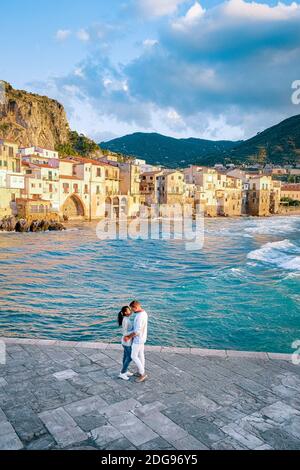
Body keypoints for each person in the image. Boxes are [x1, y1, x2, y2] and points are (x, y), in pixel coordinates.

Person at [124, 300, 148, 383]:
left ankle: (142, 374)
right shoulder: (144, 313)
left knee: (133, 356)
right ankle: (141, 371)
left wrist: (128, 337)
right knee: (141, 355)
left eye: (132, 309)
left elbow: (137, 331)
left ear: (136, 307)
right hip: (143, 338)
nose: (131, 310)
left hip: (138, 339)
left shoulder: (139, 316)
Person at [118, 306, 134, 381]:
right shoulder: (125, 320)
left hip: (127, 341)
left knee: (125, 356)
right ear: (125, 312)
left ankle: (125, 371)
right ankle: (122, 373)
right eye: (128, 310)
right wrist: (134, 331)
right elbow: (124, 333)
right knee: (130, 357)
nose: (130, 311)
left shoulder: (127, 319)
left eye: (130, 310)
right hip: (126, 342)